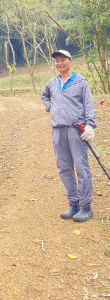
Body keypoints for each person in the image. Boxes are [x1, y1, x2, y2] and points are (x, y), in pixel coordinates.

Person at [41, 49, 96, 222]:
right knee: (64, 168)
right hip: (58, 130)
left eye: (63, 59)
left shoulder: (81, 82)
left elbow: (89, 105)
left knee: (81, 167)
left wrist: (90, 125)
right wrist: (49, 107)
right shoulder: (52, 83)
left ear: (70, 61)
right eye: (57, 61)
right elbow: (44, 96)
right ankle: (74, 203)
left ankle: (86, 207)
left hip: (75, 129)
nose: (59, 63)